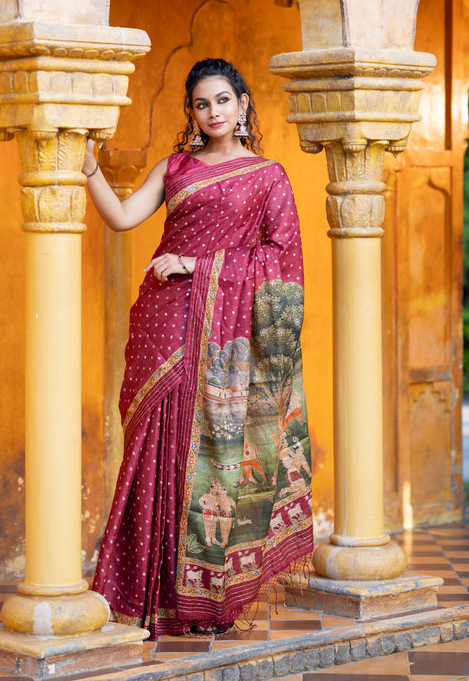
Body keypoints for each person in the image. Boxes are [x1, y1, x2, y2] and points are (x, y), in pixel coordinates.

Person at [85, 58, 313, 638]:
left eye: (222, 101)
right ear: (192, 112)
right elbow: (120, 217)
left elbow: (282, 264)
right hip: (162, 322)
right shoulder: (177, 167)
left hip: (224, 337)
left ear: (242, 105)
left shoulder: (268, 177)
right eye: (201, 104)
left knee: (206, 453)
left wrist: (198, 263)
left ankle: (198, 597)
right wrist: (88, 170)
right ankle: (137, 592)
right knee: (152, 444)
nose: (212, 113)